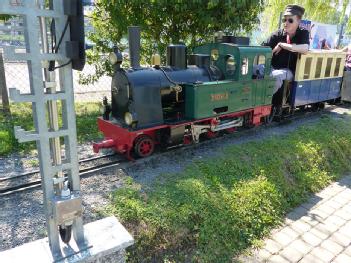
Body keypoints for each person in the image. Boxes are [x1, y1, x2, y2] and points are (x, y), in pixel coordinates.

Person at [262, 4, 309, 94]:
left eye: (290, 20)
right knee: (256, 69)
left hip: (289, 71)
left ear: (298, 21)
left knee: (277, 76)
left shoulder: (303, 33)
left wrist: (282, 45)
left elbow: (305, 49)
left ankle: (263, 100)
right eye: (284, 20)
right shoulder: (277, 34)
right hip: (272, 68)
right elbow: (262, 49)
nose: (286, 23)